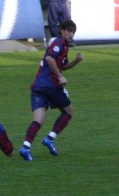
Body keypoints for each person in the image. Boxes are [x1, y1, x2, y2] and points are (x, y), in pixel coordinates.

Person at [19, 18, 83, 161]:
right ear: (62, 31)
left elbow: (62, 65)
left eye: (72, 32)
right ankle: (50, 139)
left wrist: (76, 61)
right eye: (68, 31)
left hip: (38, 86)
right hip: (51, 85)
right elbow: (49, 58)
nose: (70, 34)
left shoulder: (64, 46)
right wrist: (60, 77)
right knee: (68, 112)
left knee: (38, 120)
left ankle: (25, 147)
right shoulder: (58, 43)